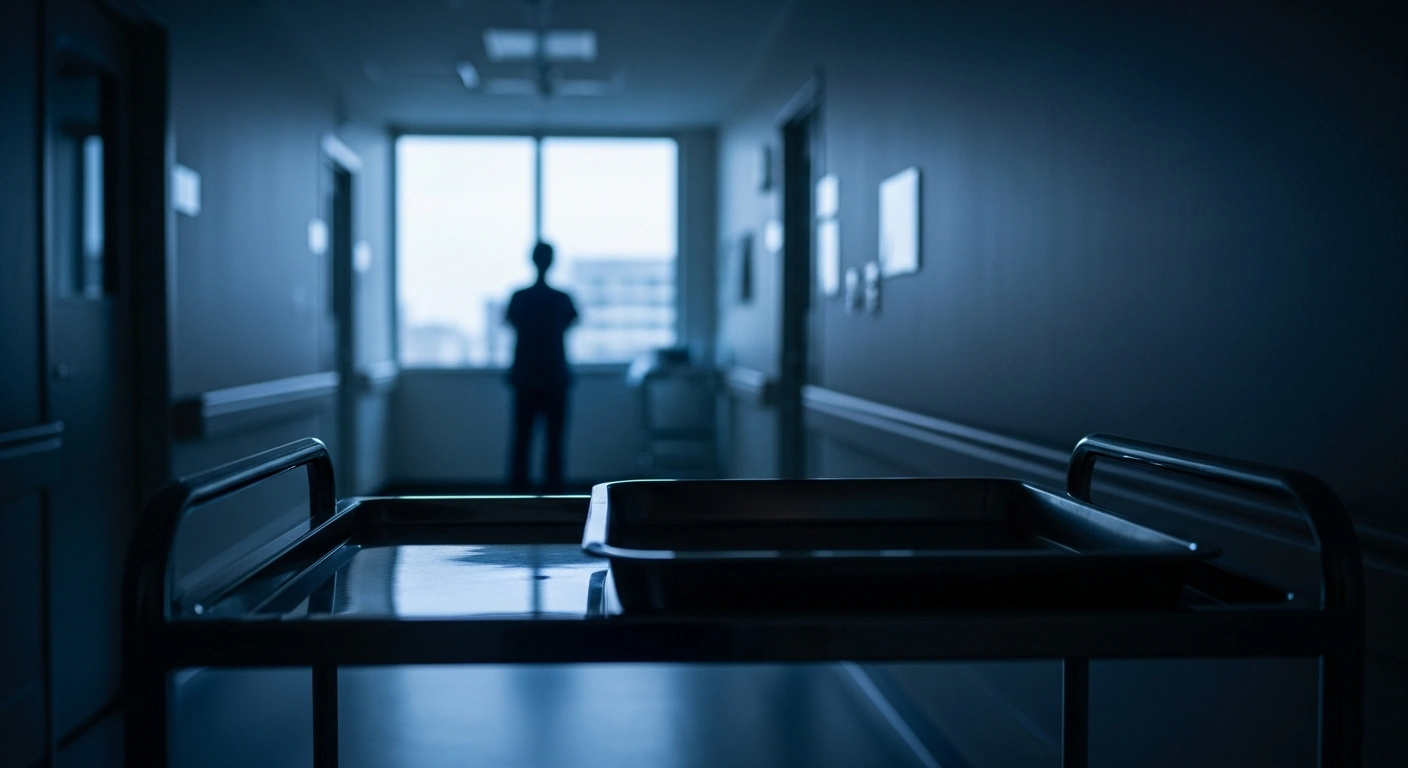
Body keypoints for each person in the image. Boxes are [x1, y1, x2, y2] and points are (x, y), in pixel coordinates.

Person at [505, 241, 578, 492]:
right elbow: (570, 323)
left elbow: (511, 323)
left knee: (522, 440)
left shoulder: (520, 298)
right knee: (554, 441)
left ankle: (517, 497)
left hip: (527, 377)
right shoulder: (561, 299)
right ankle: (555, 495)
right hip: (554, 377)